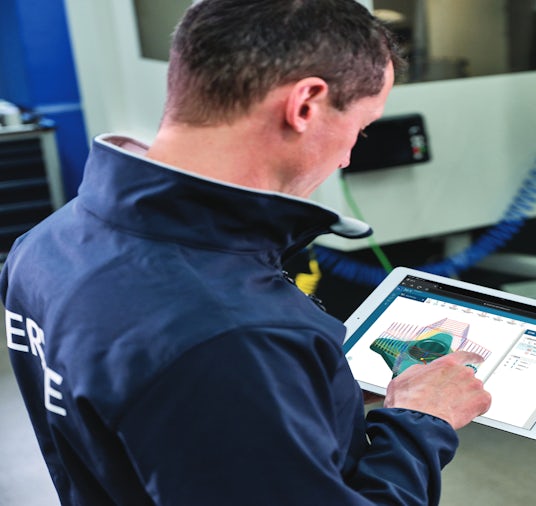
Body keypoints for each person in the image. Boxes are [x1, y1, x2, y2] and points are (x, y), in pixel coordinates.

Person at [0, 0, 491, 504]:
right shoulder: (232, 335)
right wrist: (420, 423)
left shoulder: (46, 243)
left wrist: (306, 389)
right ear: (306, 105)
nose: (347, 154)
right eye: (360, 128)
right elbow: (218, 364)